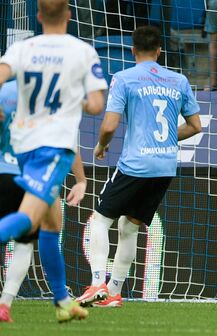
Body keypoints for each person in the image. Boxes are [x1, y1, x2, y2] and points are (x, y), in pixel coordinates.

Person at [76, 25, 202, 308]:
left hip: (136, 164)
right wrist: (169, 136)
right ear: (159, 51)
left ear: (133, 50)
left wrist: (101, 145)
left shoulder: (124, 78)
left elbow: (109, 124)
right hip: (165, 166)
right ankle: (114, 292)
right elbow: (195, 126)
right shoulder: (179, 80)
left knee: (100, 220)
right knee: (129, 227)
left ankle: (97, 282)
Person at [0, 0, 107, 322]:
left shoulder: (22, 48)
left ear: (38, 16)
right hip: (53, 148)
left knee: (51, 223)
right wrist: (76, 96)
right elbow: (96, 105)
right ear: (69, 15)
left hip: (23, 147)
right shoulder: (82, 52)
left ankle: (62, 302)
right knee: (27, 218)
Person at [0, 80, 88, 323]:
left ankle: (61, 301)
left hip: (5, 171)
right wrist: (80, 180)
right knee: (26, 242)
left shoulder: (5, 92)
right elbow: (68, 142)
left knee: (43, 228)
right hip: (32, 177)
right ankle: (5, 304)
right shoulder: (52, 97)